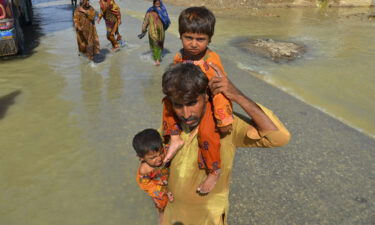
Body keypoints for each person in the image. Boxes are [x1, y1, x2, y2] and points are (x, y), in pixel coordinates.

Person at [160, 63, 291, 225]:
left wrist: (237, 96)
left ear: (206, 96)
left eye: (192, 103)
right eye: (178, 105)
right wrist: (162, 212)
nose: (186, 114)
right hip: (172, 214)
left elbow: (278, 137)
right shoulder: (171, 124)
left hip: (208, 217)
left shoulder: (226, 125)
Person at [161, 6, 232, 194]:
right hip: (184, 97)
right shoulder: (179, 56)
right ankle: (175, 138)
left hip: (207, 102)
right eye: (188, 38)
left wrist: (223, 118)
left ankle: (214, 170)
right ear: (180, 36)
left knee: (208, 133)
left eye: (200, 39)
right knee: (167, 103)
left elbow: (220, 92)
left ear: (209, 39)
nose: (194, 44)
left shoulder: (211, 61)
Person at [133, 128, 174, 225]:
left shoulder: (166, 150)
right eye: (153, 157)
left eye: (161, 153)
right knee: (162, 207)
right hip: (157, 189)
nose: (159, 158)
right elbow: (146, 185)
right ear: (141, 158)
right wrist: (163, 192)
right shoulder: (145, 170)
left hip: (166, 179)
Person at [138, 0, 170, 66]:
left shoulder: (163, 10)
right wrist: (143, 30)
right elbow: (145, 22)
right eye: (156, 2)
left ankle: (158, 56)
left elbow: (166, 21)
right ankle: (157, 60)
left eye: (158, 2)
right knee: (156, 43)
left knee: (160, 44)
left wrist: (165, 27)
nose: (157, 3)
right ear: (154, 3)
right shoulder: (149, 11)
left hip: (161, 31)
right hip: (152, 31)